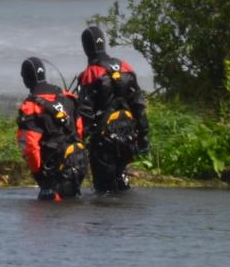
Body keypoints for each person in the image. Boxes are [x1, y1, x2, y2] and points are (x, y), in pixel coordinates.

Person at [75, 25, 149, 192]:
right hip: (128, 138)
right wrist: (143, 137)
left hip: (104, 143)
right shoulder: (126, 67)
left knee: (105, 192)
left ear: (86, 47)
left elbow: (84, 114)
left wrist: (78, 142)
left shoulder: (90, 74)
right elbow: (139, 106)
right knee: (121, 184)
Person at [16, 56, 87, 201]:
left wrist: (38, 174)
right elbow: (79, 130)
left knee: (48, 213)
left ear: (25, 78)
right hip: (79, 161)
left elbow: (30, 146)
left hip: (54, 171)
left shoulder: (30, 107)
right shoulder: (68, 98)